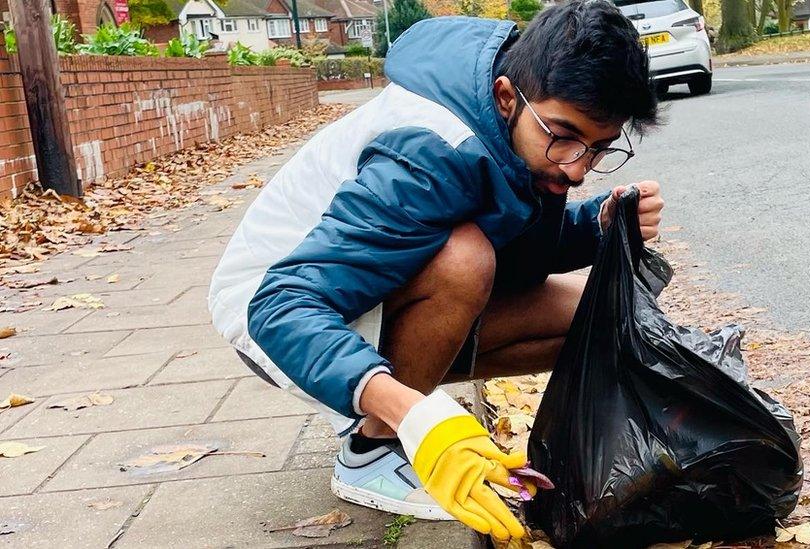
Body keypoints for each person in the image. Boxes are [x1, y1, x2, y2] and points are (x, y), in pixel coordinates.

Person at [209, 0, 663, 541]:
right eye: (563, 136)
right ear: (504, 96)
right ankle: (371, 450)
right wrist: (418, 417)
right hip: (274, 313)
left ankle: (383, 408)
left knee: (594, 315)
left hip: (365, 295)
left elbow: (516, 258)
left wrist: (596, 225)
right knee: (464, 258)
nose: (577, 167)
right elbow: (281, 306)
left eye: (599, 148)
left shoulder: (515, 135)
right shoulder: (431, 151)